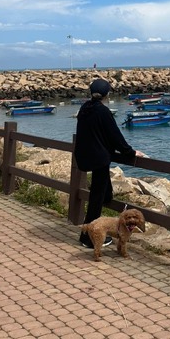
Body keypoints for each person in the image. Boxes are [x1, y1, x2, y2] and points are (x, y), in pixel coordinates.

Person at [74, 77, 141, 249]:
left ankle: (100, 228)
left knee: (104, 194)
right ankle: (89, 238)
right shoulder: (103, 111)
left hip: (86, 156)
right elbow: (115, 136)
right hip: (99, 159)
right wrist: (131, 152)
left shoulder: (85, 108)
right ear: (106, 94)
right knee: (97, 198)